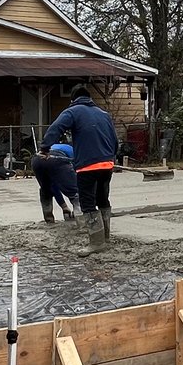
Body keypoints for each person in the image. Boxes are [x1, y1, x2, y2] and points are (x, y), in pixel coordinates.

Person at [41, 85, 119, 255]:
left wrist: (45, 148)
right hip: (107, 164)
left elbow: (56, 128)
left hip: (88, 166)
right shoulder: (104, 114)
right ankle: (106, 237)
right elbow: (114, 140)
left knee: (88, 202)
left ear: (73, 99)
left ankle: (96, 243)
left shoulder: (73, 111)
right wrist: (111, 157)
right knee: (102, 199)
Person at [31, 143, 78, 224]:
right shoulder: (75, 151)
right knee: (75, 193)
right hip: (56, 158)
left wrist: (64, 207)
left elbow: (54, 187)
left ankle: (49, 219)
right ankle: (80, 220)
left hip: (37, 159)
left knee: (46, 190)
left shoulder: (59, 146)